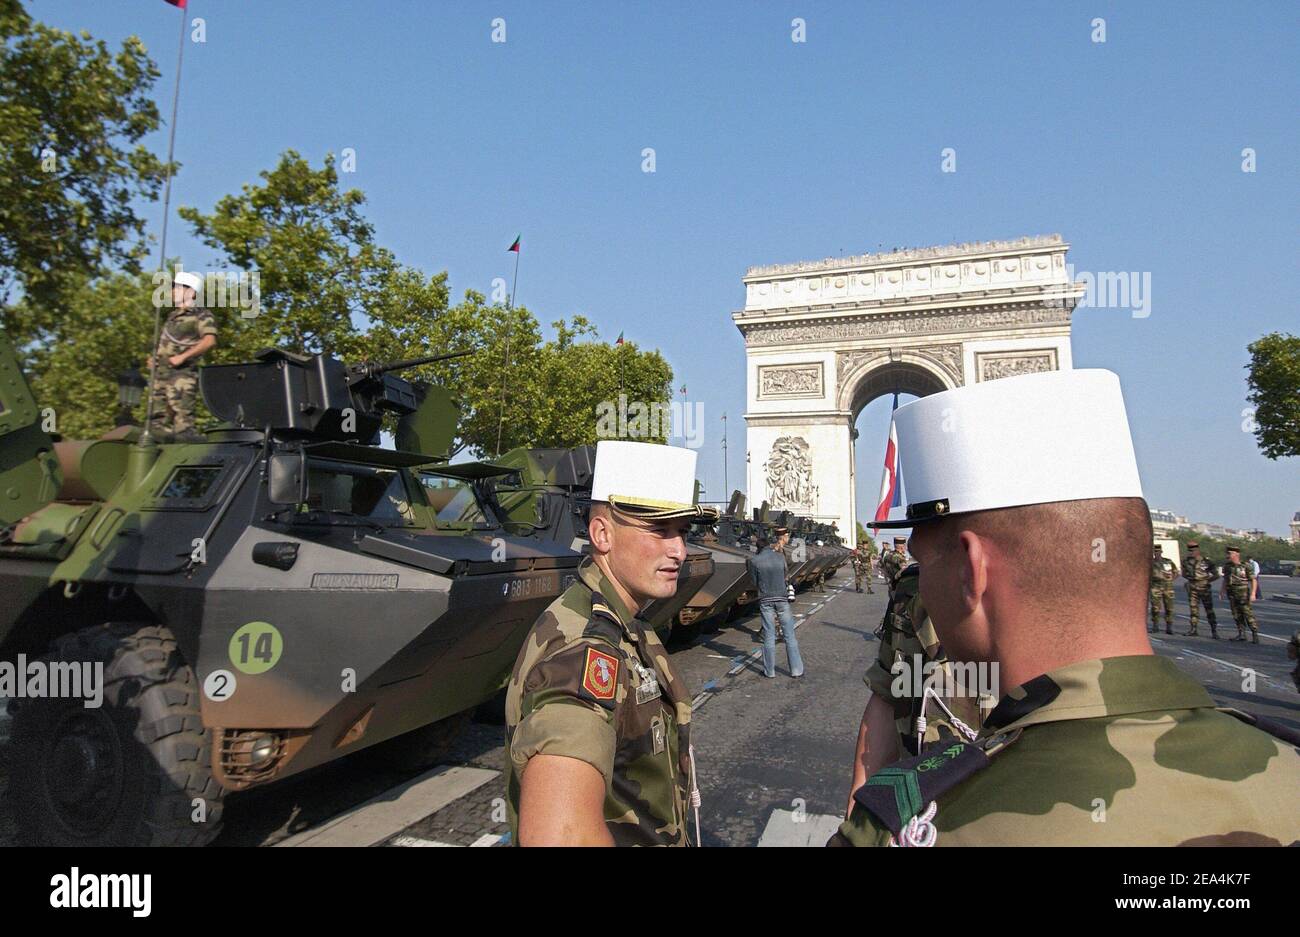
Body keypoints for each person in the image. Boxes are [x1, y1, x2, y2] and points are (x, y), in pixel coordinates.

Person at [830, 369, 1300, 846]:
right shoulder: (1289, 769)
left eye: (924, 559)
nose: (919, 579)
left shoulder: (910, 827)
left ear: (973, 572)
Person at [504, 440, 717, 846]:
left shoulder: (623, 621)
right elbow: (559, 836)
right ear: (602, 533)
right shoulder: (586, 651)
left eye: (682, 532)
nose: (679, 550)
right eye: (659, 530)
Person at [844, 561, 981, 818]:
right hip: (916, 811)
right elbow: (890, 695)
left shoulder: (1046, 595)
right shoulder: (912, 586)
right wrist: (859, 806)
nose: (911, 542)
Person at [148, 269, 217, 440]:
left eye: (177, 287)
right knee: (155, 426)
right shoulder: (172, 316)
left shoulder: (201, 315)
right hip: (161, 373)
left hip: (182, 374)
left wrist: (182, 357)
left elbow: (209, 341)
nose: (172, 291)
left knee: (183, 427)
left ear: (191, 292)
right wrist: (154, 358)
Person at [746, 526, 805, 679]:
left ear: (758, 548)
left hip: (765, 600)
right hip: (782, 598)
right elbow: (786, 574)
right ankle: (796, 670)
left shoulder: (754, 561)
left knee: (769, 636)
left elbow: (754, 581)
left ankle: (769, 671)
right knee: (789, 635)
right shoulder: (779, 557)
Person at [1180, 541, 1220, 638]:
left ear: (1198, 550)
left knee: (1209, 609)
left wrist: (1207, 581)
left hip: (1204, 588)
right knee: (1193, 609)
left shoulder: (1206, 562)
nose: (1191, 552)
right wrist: (1190, 581)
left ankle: (1214, 630)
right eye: (1190, 551)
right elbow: (1184, 574)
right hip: (1193, 587)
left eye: (1193, 550)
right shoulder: (1186, 562)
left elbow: (1216, 575)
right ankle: (1193, 629)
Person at [1221, 546, 1260, 643]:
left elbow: (1253, 580)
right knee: (1236, 614)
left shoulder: (1246, 566)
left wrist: (1253, 593)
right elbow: (1225, 580)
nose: (1227, 555)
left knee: (1247, 614)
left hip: (1243, 593)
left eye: (1229, 553)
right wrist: (1222, 591)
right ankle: (1241, 634)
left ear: (1236, 554)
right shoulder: (1227, 566)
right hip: (1232, 593)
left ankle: (1255, 634)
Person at [1148, 544, 1177, 634]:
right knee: (1155, 607)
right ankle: (1155, 625)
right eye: (1155, 552)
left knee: (1169, 608)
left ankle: (1169, 627)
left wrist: (1171, 579)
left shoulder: (1168, 562)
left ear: (1161, 552)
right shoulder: (1150, 562)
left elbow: (1175, 572)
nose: (1157, 553)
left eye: (1158, 552)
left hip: (1168, 587)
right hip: (1155, 586)